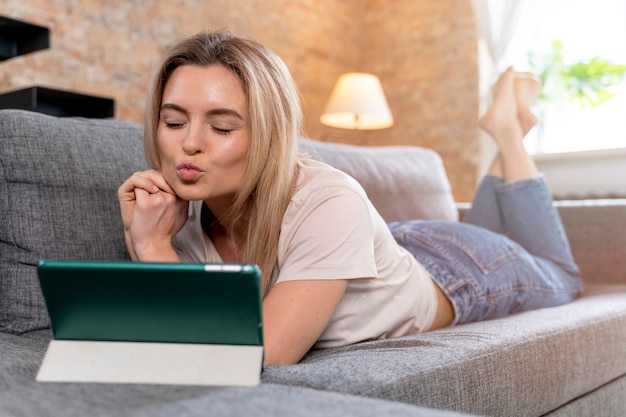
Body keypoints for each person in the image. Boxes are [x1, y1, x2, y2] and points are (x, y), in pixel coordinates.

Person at [118, 30, 583, 366]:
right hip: (385, 247)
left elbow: (264, 352)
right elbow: (177, 334)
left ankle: (509, 133)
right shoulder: (172, 212)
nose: (190, 144)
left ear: (268, 135)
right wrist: (149, 238)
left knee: (563, 277)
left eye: (221, 127)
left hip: (455, 270)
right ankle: (510, 135)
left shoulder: (329, 197)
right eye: (174, 121)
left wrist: (154, 250)